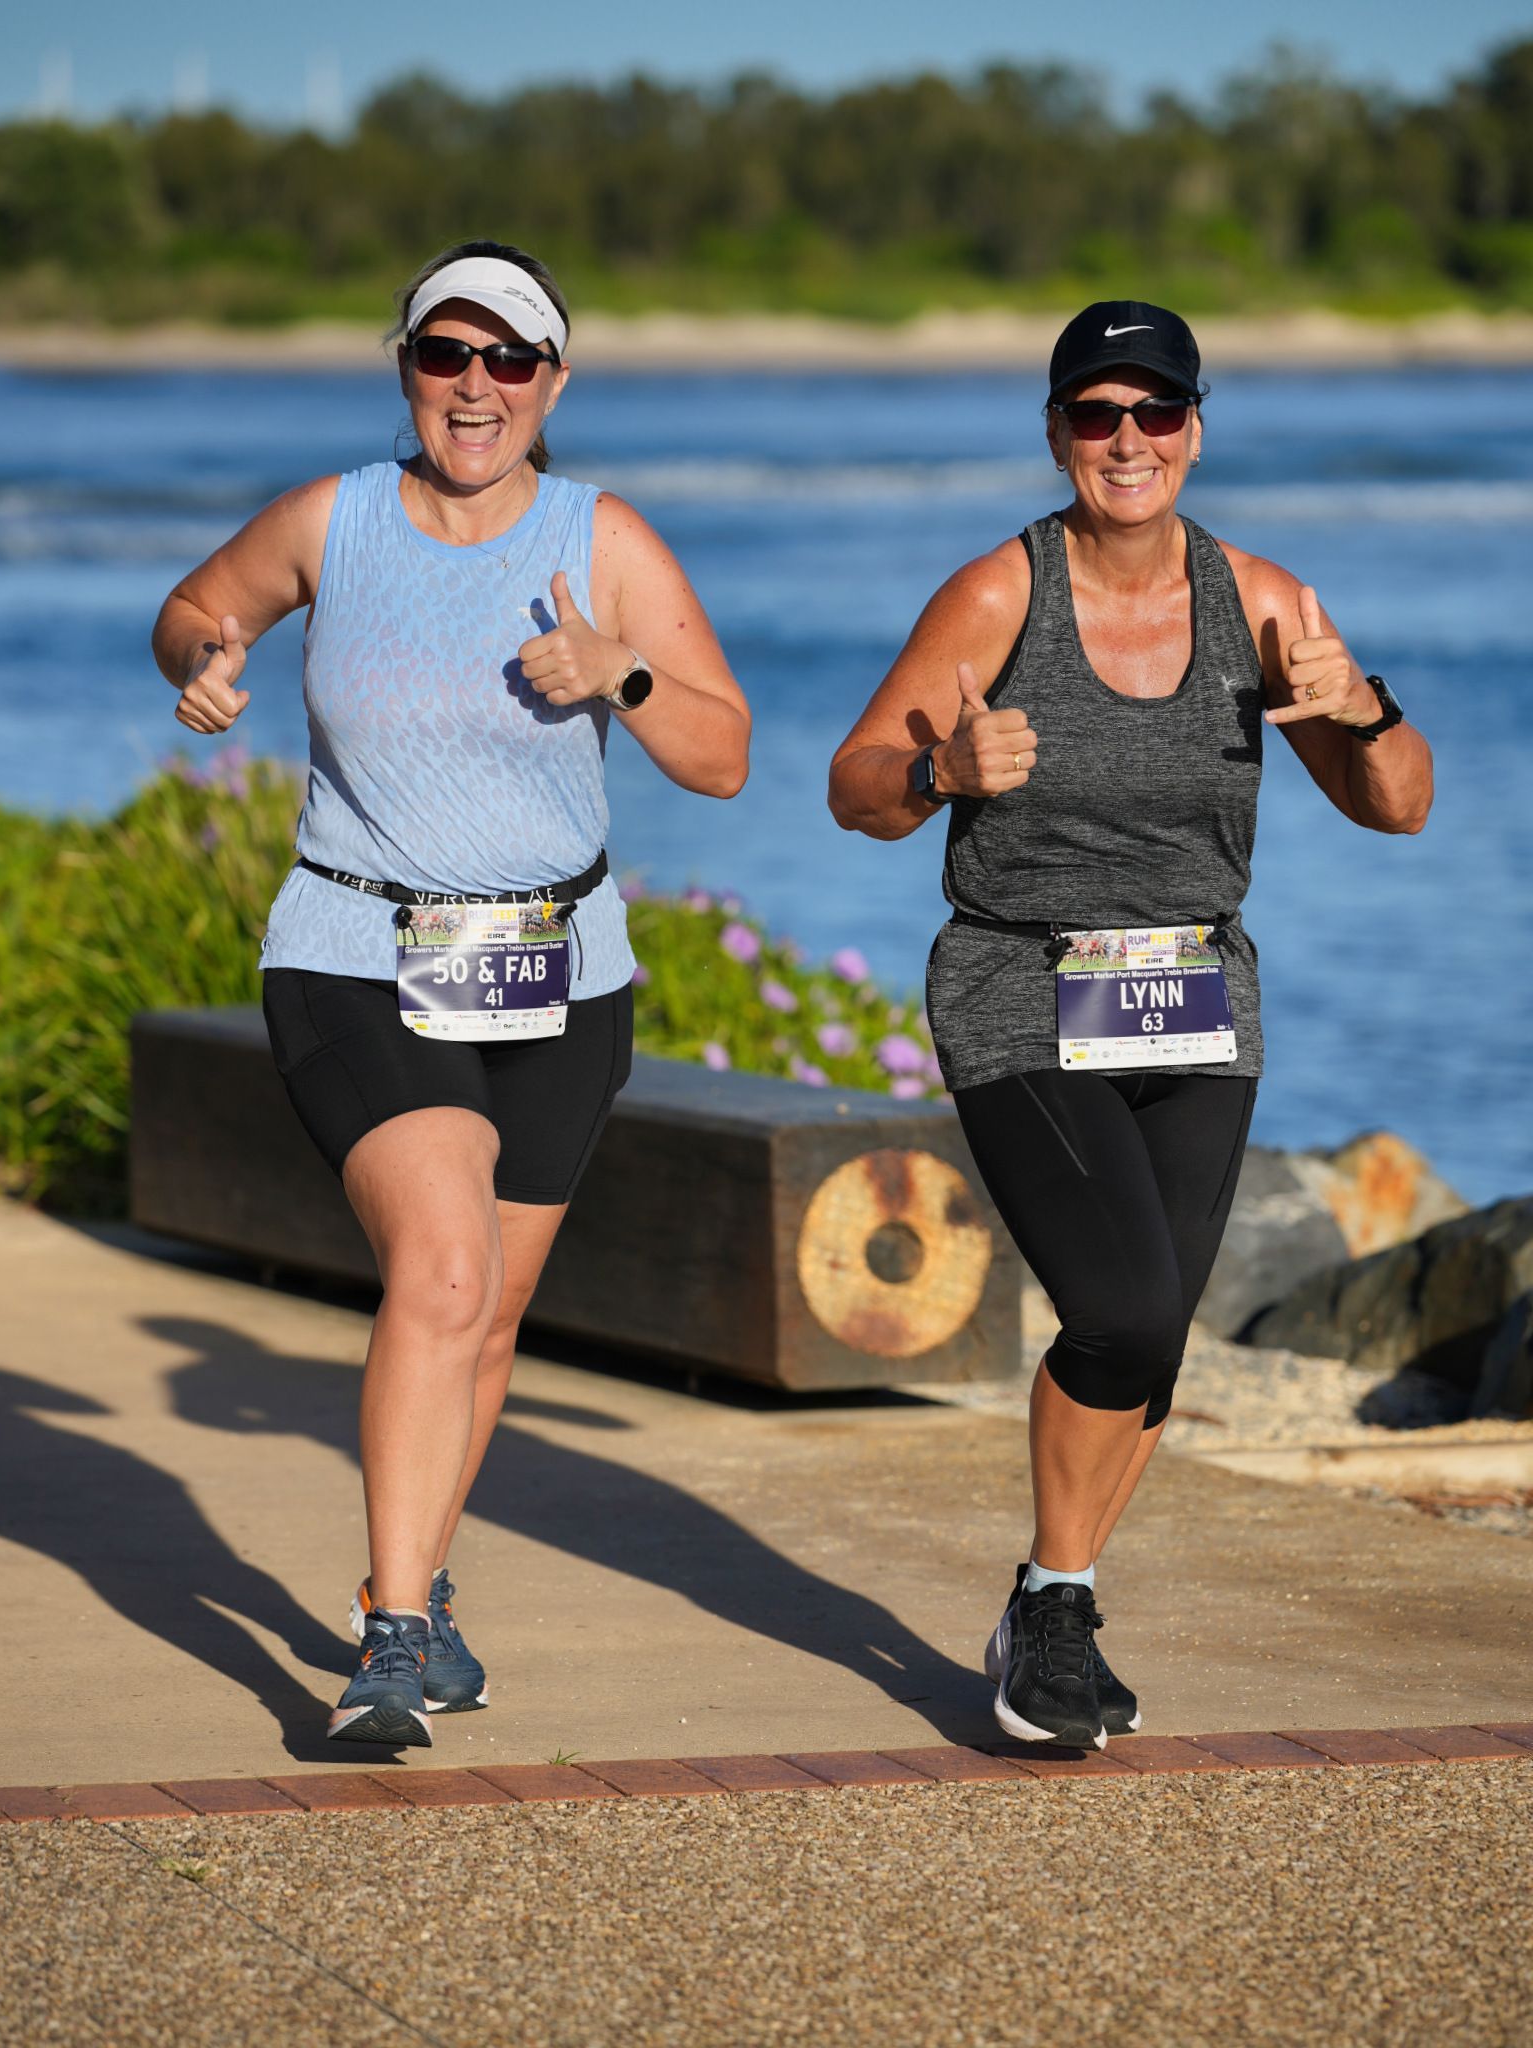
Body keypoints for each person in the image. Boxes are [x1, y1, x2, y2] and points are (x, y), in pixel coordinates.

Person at [152, 240, 750, 1746]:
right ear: (406, 366)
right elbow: (194, 609)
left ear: (552, 382)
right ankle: (397, 1633)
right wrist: (207, 661)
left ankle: (413, 1592)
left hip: (561, 977)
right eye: (444, 355)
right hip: (357, 954)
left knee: (488, 1318)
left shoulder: (600, 540)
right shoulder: (330, 521)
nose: (473, 387)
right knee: (441, 1267)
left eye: (508, 360)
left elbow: (724, 754)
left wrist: (620, 672)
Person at [828, 300, 1432, 1749]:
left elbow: (1400, 800)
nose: (1127, 442)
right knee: (1127, 1310)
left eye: (1155, 413)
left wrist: (1357, 707)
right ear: (1055, 436)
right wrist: (943, 767)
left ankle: (1058, 1601)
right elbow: (854, 786)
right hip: (1021, 986)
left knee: (1152, 1349)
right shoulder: (998, 595)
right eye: (1095, 415)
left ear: (1196, 432)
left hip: (1198, 995)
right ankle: (1053, 1608)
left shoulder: (1266, 599)